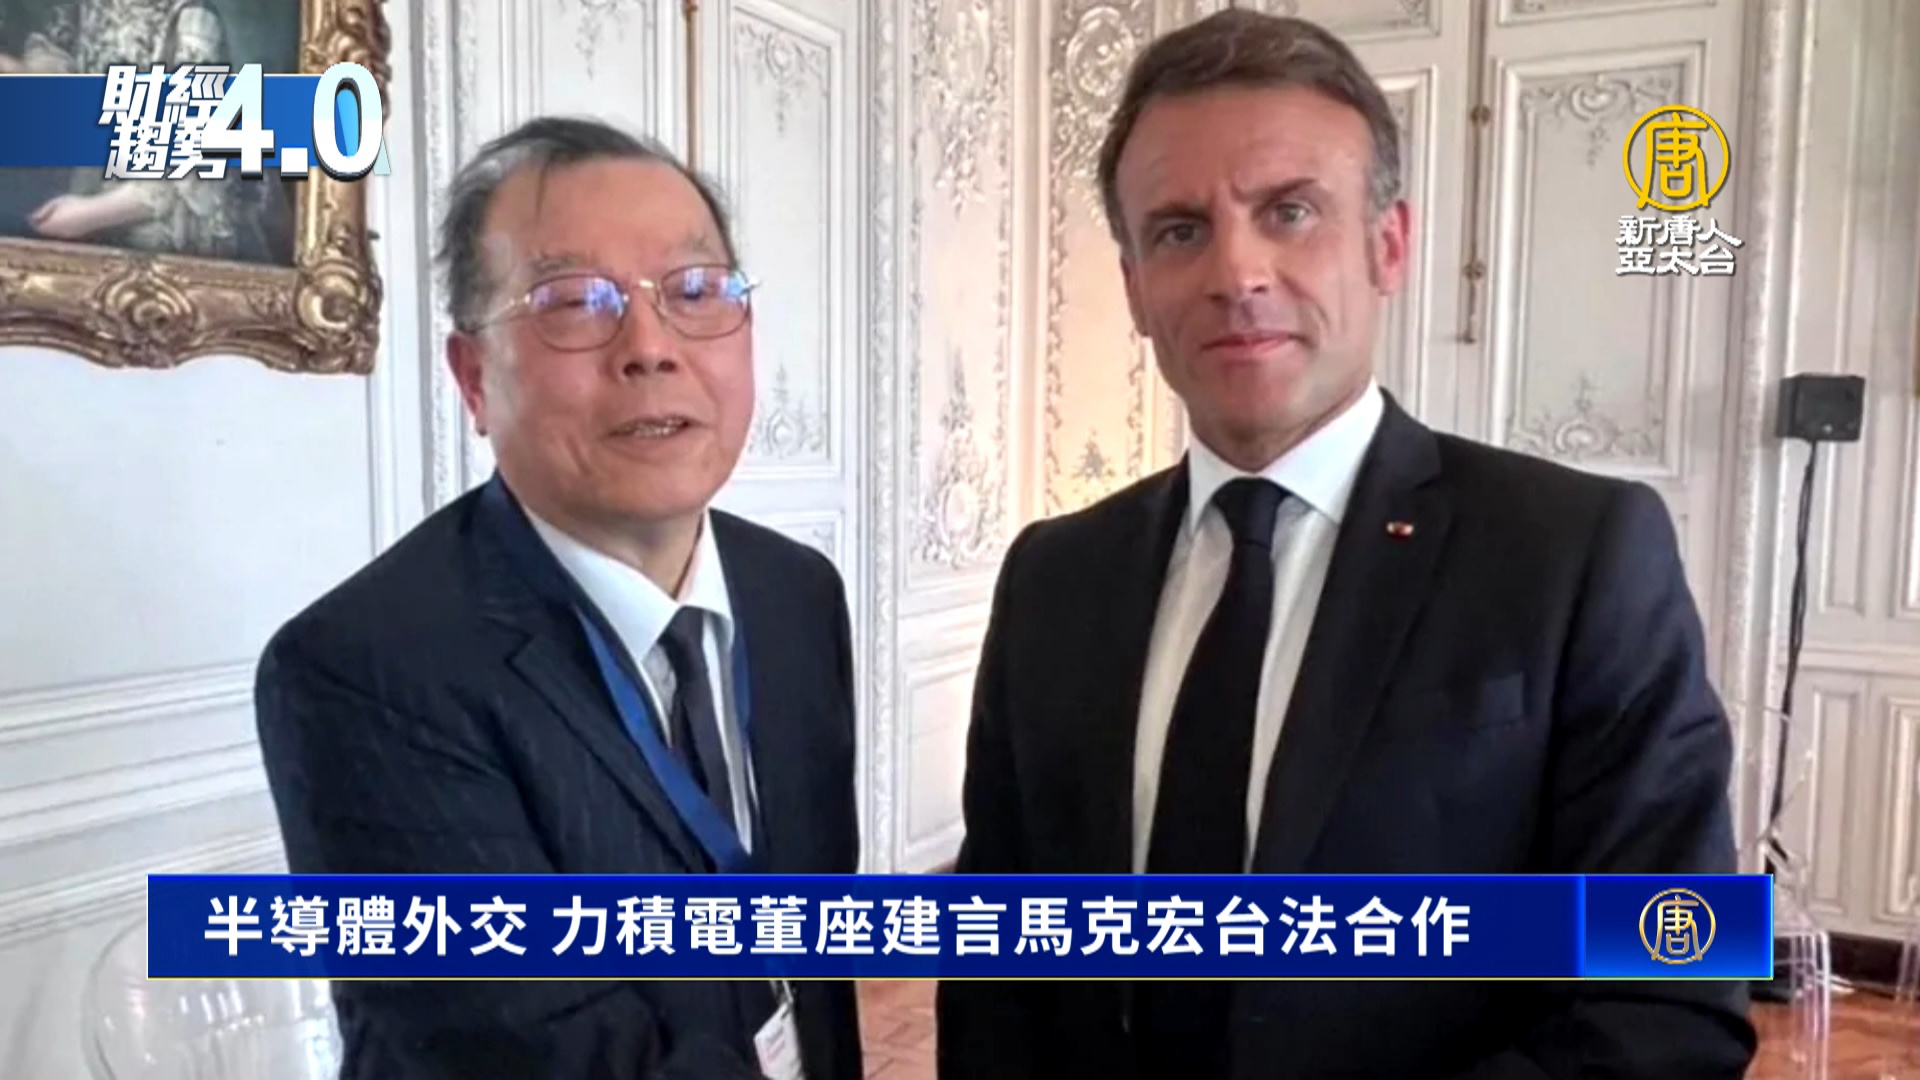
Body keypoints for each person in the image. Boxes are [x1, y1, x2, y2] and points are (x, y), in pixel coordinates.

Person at [935, 11, 1754, 1079]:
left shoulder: (1576, 556)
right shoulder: (1054, 576)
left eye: (1289, 212)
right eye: (1179, 231)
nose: (1237, 272)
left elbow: (1673, 995)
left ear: (1388, 246)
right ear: (1134, 285)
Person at [255, 116, 863, 1080]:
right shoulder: (363, 672)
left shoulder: (797, 594)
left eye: (695, 291)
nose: (650, 347)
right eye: (575, 302)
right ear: (473, 379)